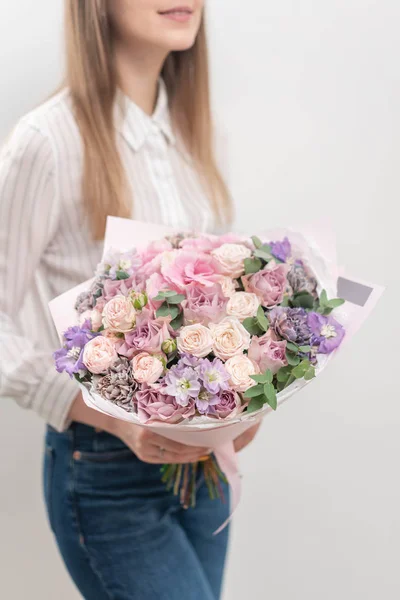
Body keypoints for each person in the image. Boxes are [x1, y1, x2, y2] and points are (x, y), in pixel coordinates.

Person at [0, 1, 260, 598]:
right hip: (105, 470)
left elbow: (219, 299)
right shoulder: (49, 141)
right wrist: (110, 417)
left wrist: (245, 397)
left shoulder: (195, 134)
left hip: (206, 468)